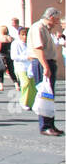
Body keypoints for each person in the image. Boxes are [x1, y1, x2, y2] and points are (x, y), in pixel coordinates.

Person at [27, 8, 63, 136]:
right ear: (51, 17)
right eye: (57, 19)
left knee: (49, 94)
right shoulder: (38, 28)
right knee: (44, 94)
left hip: (47, 63)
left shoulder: (45, 28)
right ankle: (45, 126)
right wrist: (46, 67)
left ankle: (51, 124)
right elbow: (38, 49)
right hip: (43, 63)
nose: (58, 22)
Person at [11, 26, 33, 111]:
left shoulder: (30, 43)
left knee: (32, 85)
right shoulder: (16, 43)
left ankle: (31, 102)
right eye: (23, 35)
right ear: (19, 35)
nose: (25, 37)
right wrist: (27, 58)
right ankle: (24, 101)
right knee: (25, 83)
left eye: (26, 35)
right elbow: (14, 56)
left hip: (31, 66)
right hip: (21, 67)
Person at [0, 25, 14, 91]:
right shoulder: (11, 38)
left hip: (2, 55)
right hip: (9, 55)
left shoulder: (0, 38)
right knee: (11, 70)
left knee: (1, 70)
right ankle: (16, 84)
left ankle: (1, 86)